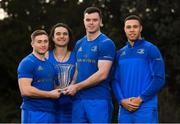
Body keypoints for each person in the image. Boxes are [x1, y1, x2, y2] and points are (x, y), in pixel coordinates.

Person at [63, 6, 116, 123]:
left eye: (95, 20)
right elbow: (78, 68)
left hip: (98, 99)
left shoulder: (106, 43)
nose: (91, 23)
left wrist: (76, 87)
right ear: (84, 21)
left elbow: (102, 74)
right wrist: (71, 84)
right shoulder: (79, 43)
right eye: (88, 20)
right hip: (79, 100)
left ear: (101, 22)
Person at [112, 14, 165, 123]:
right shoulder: (119, 53)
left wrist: (140, 99)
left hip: (146, 108)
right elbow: (114, 80)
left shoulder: (151, 49)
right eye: (128, 27)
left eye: (135, 27)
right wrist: (121, 100)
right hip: (125, 109)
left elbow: (159, 79)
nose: (132, 30)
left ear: (141, 28)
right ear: (124, 29)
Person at [17, 29, 61, 123]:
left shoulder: (51, 65)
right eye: (39, 42)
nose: (43, 44)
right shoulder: (27, 62)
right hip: (33, 112)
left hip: (51, 112)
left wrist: (71, 87)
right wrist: (50, 95)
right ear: (32, 44)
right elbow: (25, 90)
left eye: (45, 41)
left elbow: (55, 88)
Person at [47, 23, 76, 123]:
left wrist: (73, 85)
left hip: (72, 108)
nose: (62, 36)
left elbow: (80, 77)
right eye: (58, 34)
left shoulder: (77, 56)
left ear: (69, 37)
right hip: (49, 107)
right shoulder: (45, 56)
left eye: (65, 34)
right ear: (53, 38)